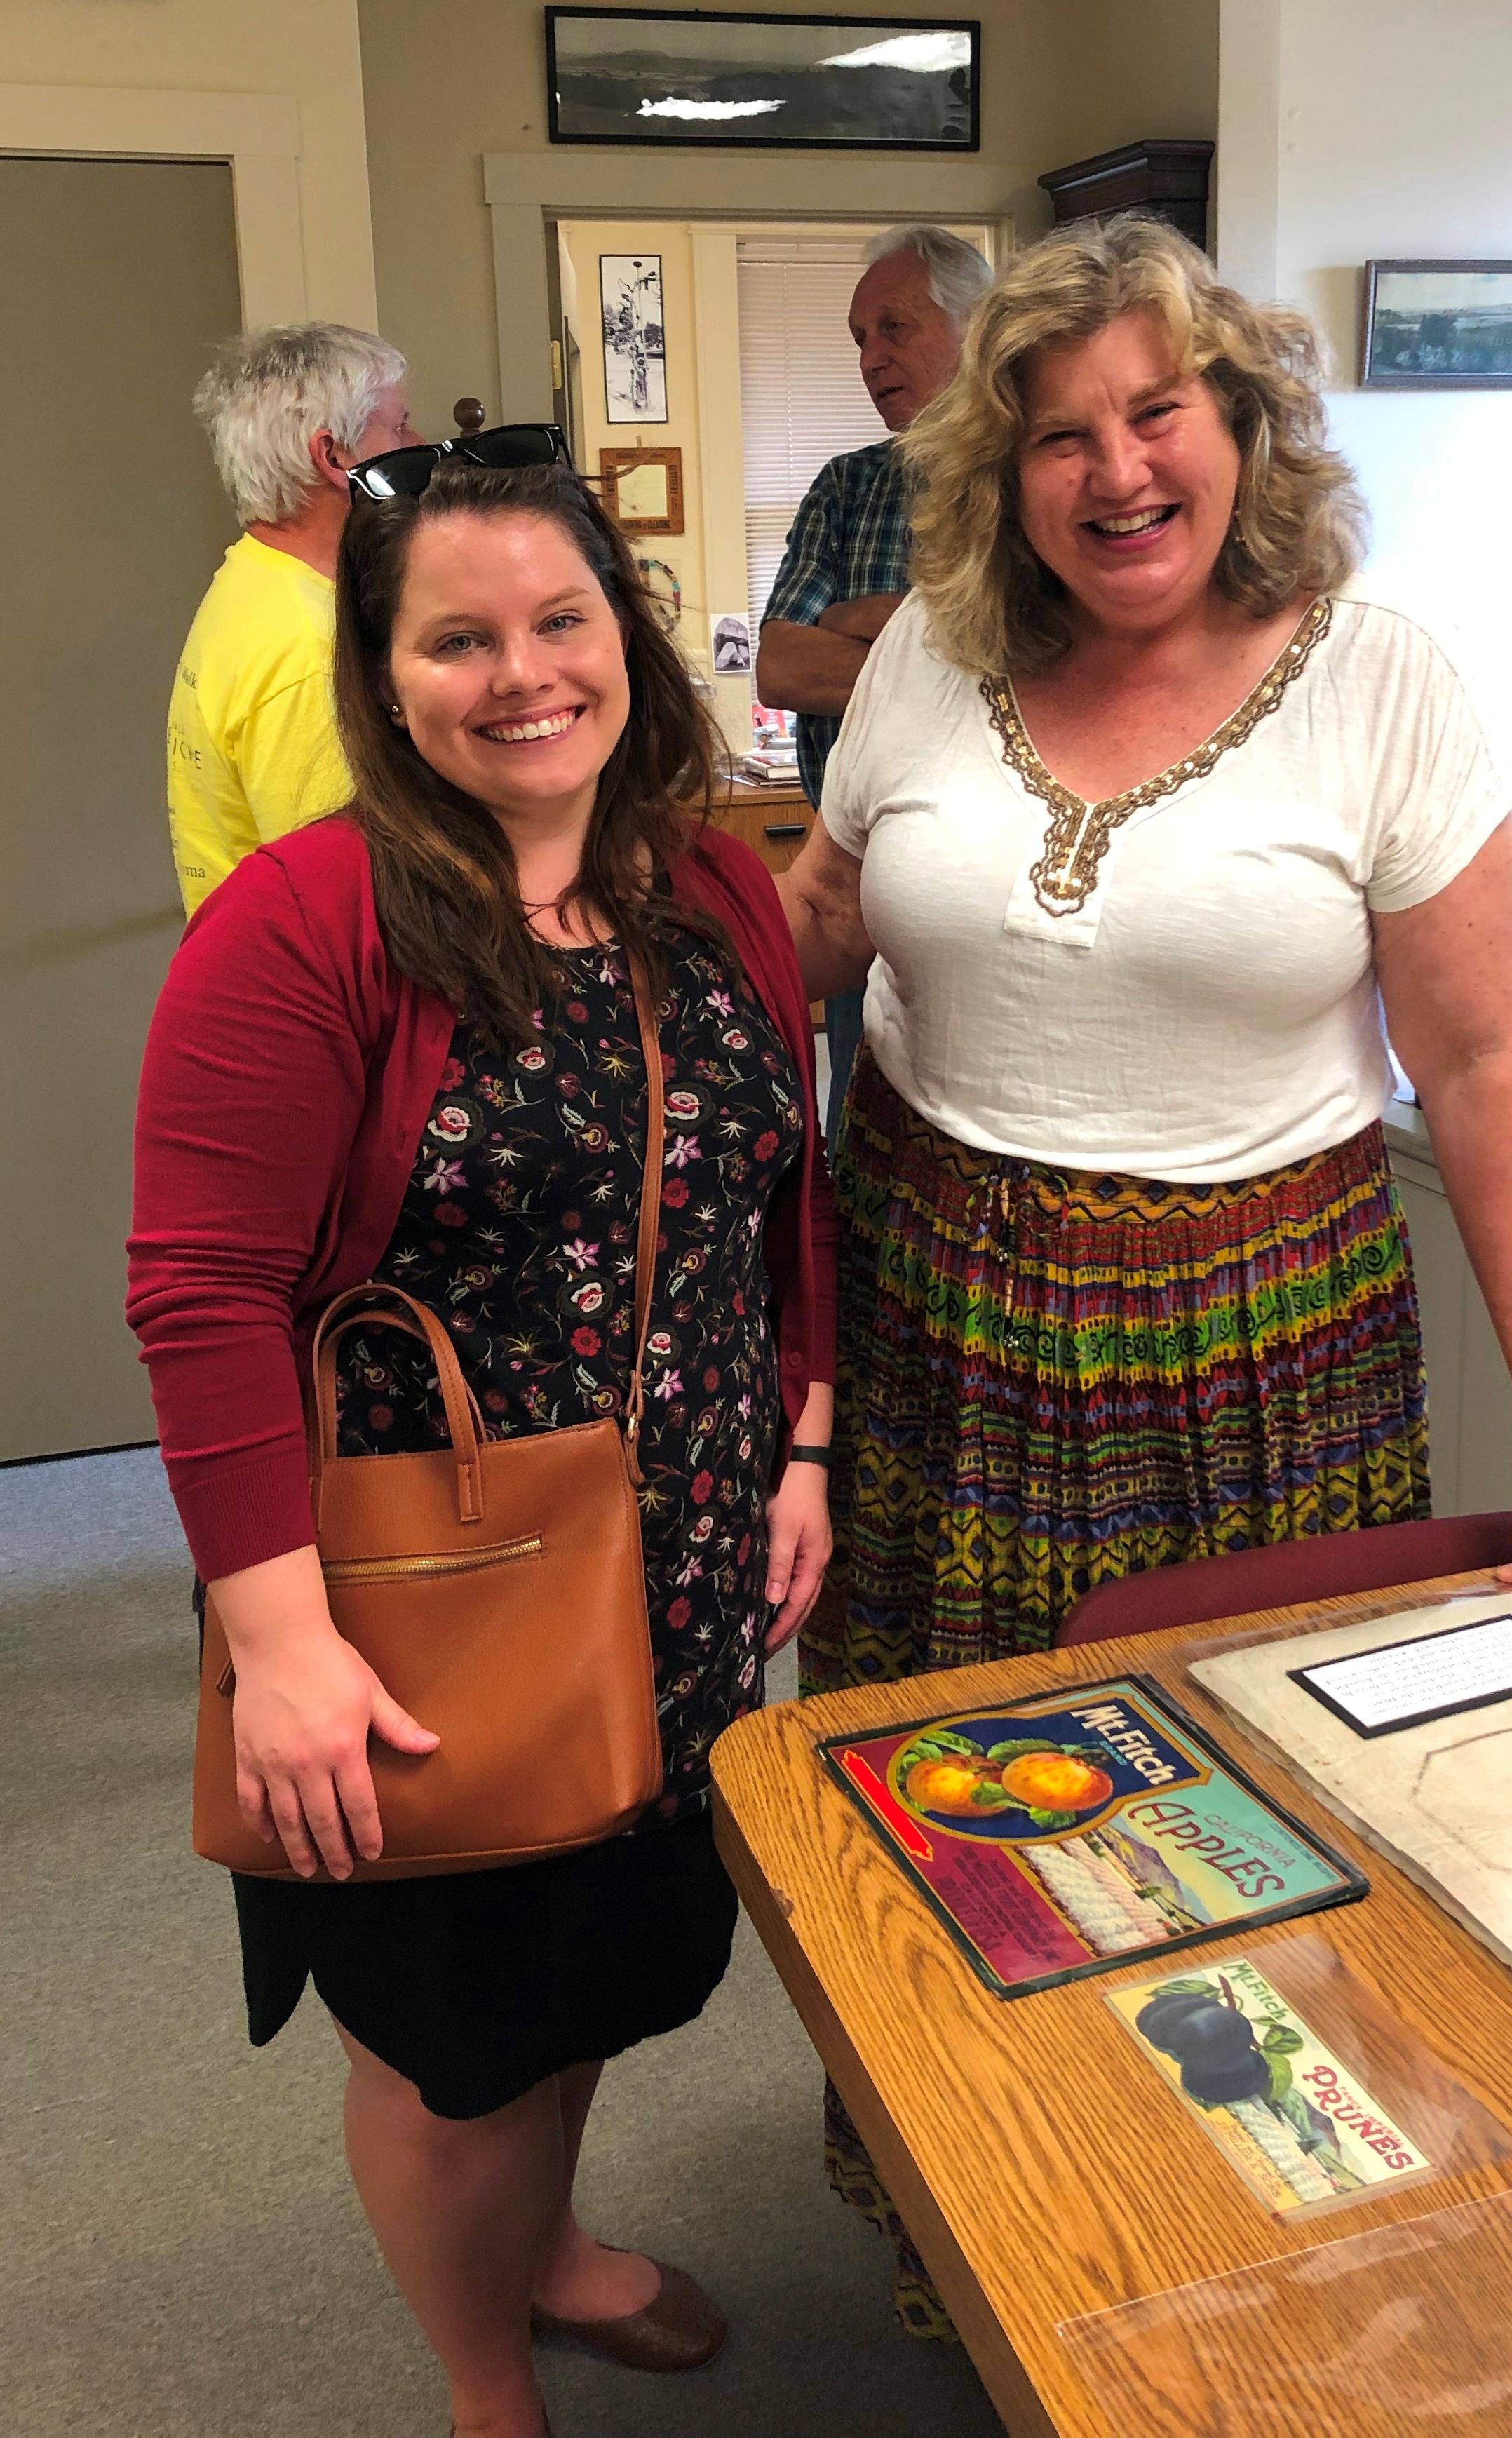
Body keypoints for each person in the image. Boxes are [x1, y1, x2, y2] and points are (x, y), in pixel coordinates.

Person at [778, 216, 1512, 2327]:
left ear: (1238, 426)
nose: (1113, 470)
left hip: (1257, 1344)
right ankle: (976, 2227)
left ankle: (1227, 2245)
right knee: (955, 1805)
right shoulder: (933, 652)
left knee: (1240, 1812)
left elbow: (1487, 1063)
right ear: (997, 469)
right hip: (940, 1314)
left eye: (1155, 412)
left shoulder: (1379, 677)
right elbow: (823, 925)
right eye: (1056, 434)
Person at [129, 436, 836, 2438]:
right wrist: (280, 1644)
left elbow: (781, 1181)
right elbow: (197, 1300)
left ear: (623, 633)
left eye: (559, 620)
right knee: (456, 2032)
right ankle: (478, 2375)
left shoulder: (704, 881)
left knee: (597, 1963)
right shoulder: (301, 923)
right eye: (458, 638)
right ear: (385, 670)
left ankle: (549, 2244)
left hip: (682, 1548)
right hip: (413, 1584)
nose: (521, 674)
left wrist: (798, 1442)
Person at [755, 224, 992, 1126]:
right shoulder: (847, 487)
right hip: (859, 883)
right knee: (862, 1134)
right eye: (859, 339)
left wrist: (863, 625)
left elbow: (1032, 661)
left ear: (979, 327)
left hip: (1000, 880)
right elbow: (781, 667)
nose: (871, 358)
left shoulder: (1038, 480)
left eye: (894, 327)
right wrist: (951, 640)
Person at [167, 321, 422, 914]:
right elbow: (348, 901)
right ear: (334, 455)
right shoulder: (311, 646)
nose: (418, 440)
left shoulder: (251, 581)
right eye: (399, 425)